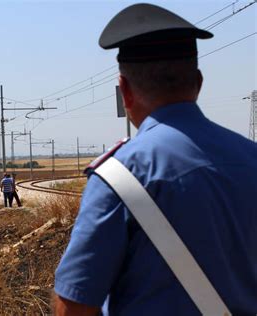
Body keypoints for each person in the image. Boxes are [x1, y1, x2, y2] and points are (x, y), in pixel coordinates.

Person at [53, 3, 257, 316]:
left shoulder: (119, 177)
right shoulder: (251, 158)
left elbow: (75, 306)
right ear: (199, 83)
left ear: (125, 91)